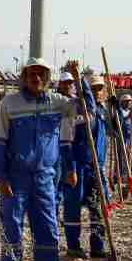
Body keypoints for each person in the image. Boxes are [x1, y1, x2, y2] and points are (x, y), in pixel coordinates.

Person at [0, 57, 79, 261]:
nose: (36, 78)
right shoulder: (9, 104)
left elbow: (85, 109)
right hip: (16, 178)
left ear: (48, 78)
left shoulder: (57, 103)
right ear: (24, 76)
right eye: (32, 73)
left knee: (48, 228)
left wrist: (78, 79)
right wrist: (1, 178)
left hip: (44, 178)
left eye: (41, 73)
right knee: (12, 229)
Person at [63, 71, 113, 259]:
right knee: (73, 206)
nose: (97, 92)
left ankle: (97, 246)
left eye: (100, 88)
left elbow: (114, 131)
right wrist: (70, 168)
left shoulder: (103, 110)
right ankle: (73, 246)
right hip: (79, 164)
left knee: (98, 206)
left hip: (96, 166)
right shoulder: (76, 109)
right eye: (93, 89)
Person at [54, 72, 76, 220]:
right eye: (65, 83)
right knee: (56, 181)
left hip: (71, 145)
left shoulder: (74, 102)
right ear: (60, 85)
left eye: (70, 83)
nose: (68, 85)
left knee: (67, 181)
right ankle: (53, 215)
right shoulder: (55, 100)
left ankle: (60, 214)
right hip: (57, 145)